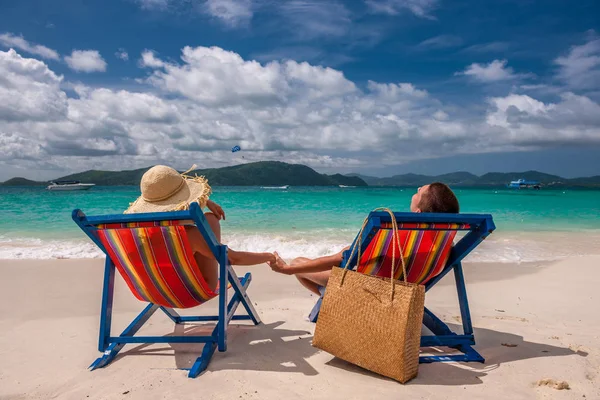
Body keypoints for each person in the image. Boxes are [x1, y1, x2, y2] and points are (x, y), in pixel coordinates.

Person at [269, 182, 460, 295]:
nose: (417, 188)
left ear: (418, 212)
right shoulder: (444, 241)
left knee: (300, 263)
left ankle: (333, 301)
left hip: (367, 289)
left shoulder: (397, 233)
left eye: (419, 192)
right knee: (347, 253)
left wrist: (288, 269)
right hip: (406, 291)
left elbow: (343, 259)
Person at [125, 165, 276, 291]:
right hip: (192, 292)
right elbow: (232, 258)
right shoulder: (189, 236)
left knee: (208, 220)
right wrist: (269, 256)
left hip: (153, 291)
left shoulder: (132, 235)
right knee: (210, 220)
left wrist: (206, 201)